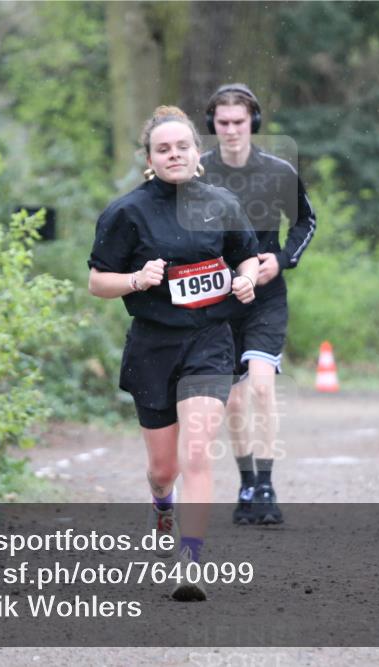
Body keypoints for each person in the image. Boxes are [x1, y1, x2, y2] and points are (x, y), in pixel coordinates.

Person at [88, 105, 260, 601]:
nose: (174, 155)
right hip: (153, 346)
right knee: (165, 469)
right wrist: (137, 279)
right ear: (150, 158)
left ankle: (192, 559)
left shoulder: (222, 203)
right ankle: (163, 502)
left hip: (209, 341)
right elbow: (97, 281)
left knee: (197, 452)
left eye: (182, 146)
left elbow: (244, 256)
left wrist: (246, 279)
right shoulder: (127, 212)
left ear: (197, 152)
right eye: (163, 149)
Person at [200, 84, 317, 525]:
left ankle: (266, 483)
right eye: (223, 123)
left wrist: (282, 260)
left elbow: (306, 220)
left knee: (263, 386)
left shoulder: (279, 171)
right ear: (212, 126)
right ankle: (246, 481)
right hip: (221, 296)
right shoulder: (198, 172)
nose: (231, 130)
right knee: (232, 401)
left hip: (265, 296)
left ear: (254, 123)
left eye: (239, 122)